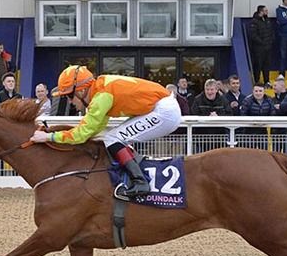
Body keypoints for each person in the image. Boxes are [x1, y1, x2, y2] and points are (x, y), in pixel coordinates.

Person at [31, 66, 182, 199]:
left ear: (81, 90)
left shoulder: (101, 97)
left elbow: (81, 134)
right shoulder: (101, 89)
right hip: (163, 107)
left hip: (164, 112)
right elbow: (95, 128)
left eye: (69, 95)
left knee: (113, 138)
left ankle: (140, 182)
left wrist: (48, 137)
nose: (70, 101)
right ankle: (132, 176)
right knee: (112, 137)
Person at [238, 82, 274, 149]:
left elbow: (273, 113)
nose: (258, 93)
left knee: (263, 153)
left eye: (260, 91)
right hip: (249, 132)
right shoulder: (247, 101)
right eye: (256, 91)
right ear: (253, 91)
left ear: (264, 91)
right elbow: (243, 114)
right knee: (250, 153)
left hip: (263, 131)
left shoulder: (269, 100)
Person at [248, 4, 273, 85]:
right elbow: (253, 35)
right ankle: (257, 81)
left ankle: (267, 81)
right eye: (265, 11)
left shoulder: (267, 20)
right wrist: (261, 42)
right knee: (258, 65)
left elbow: (271, 32)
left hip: (268, 47)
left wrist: (270, 41)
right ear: (261, 11)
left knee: (267, 65)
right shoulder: (254, 21)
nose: (267, 12)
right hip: (258, 48)